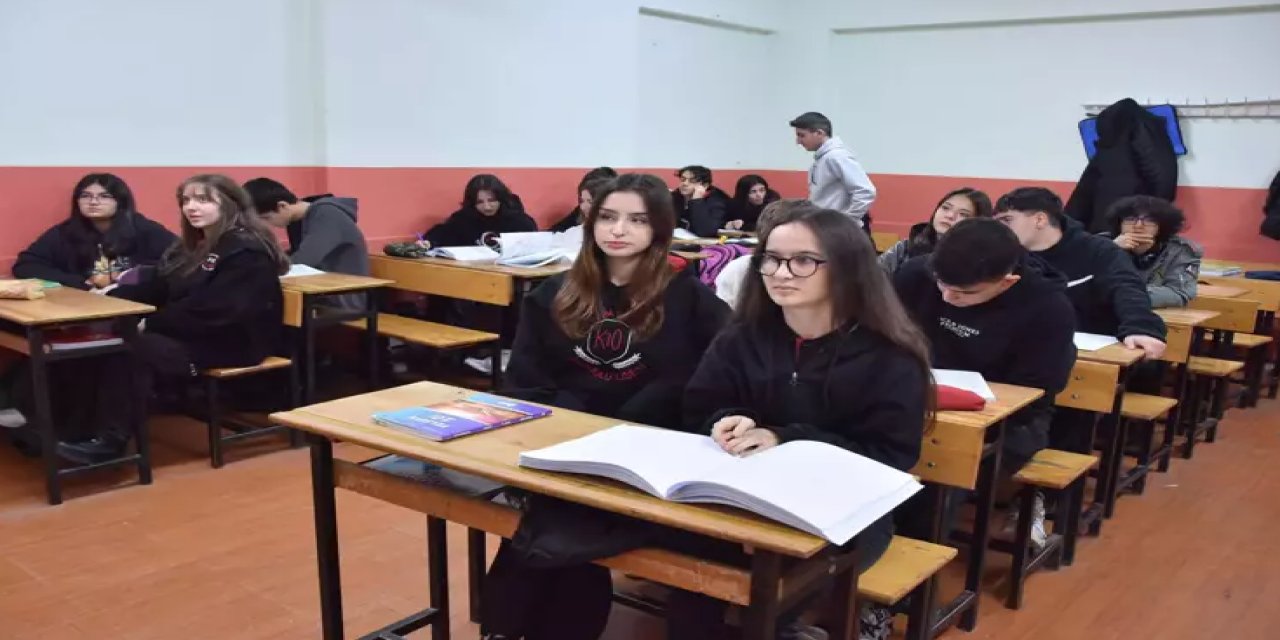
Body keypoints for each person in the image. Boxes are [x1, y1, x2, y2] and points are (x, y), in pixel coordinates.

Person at [478, 173, 730, 640]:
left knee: (554, 530)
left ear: (659, 228)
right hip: (567, 448)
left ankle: (509, 626)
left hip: (649, 463)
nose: (618, 230)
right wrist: (569, 427)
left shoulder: (690, 299)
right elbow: (526, 383)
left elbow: (710, 383)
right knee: (558, 519)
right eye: (608, 217)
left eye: (637, 220)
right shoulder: (554, 294)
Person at [680, 203, 932, 640]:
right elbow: (700, 404)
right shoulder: (743, 335)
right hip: (741, 495)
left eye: (803, 261)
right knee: (692, 579)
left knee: (770, 591)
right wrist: (725, 419)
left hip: (846, 510)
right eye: (772, 260)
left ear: (847, 269)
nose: (781, 273)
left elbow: (890, 456)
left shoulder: (891, 356)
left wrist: (786, 438)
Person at [57, 175, 289, 463]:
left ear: (230, 205)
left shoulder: (246, 250)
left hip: (232, 342)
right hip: (194, 332)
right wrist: (112, 296)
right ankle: (77, 431)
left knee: (133, 351)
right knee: (99, 343)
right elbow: (163, 285)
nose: (191, 207)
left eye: (203, 200)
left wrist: (153, 321)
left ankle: (110, 444)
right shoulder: (196, 245)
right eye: (186, 200)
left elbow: (220, 310)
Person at [894, 218, 1077, 546]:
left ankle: (914, 559)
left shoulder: (1048, 309)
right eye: (941, 284)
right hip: (912, 400)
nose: (947, 297)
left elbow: (1036, 394)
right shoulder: (915, 275)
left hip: (1008, 421)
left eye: (965, 293)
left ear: (1007, 282)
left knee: (942, 467)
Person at [993, 187, 1166, 456]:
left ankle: (1058, 473)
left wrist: (1141, 327)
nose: (1001, 229)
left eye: (1007, 220)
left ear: (1039, 219)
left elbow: (1127, 287)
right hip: (1025, 354)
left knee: (1071, 411)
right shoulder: (1007, 253)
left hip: (1087, 353)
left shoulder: (1098, 250)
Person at [14, 173, 176, 290]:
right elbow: (26, 265)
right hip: (84, 303)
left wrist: (135, 277)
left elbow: (180, 259)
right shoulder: (64, 232)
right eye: (85, 196)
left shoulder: (145, 229)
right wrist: (77, 282)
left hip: (135, 304)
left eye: (104, 196)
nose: (93, 202)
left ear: (120, 201)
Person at [243, 177, 370, 310]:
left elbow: (304, 260)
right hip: (318, 293)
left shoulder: (327, 214)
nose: (267, 225)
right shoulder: (298, 219)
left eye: (266, 218)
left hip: (343, 300)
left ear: (282, 206)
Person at [1099, 195, 1202, 308]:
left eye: (1149, 220)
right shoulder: (1100, 243)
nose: (1138, 226)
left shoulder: (1180, 250)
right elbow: (1086, 284)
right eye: (1130, 219)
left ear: (1162, 225)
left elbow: (1179, 293)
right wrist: (1110, 250)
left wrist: (1125, 295)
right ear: (1119, 223)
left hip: (1153, 313)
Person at [789, 111, 877, 228]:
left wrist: (846, 222)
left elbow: (865, 191)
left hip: (839, 230)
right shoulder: (822, 159)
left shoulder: (836, 156)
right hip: (826, 227)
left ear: (819, 133)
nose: (798, 141)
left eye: (802, 135)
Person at [878, 187, 993, 275]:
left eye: (963, 214)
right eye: (945, 207)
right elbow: (874, 280)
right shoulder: (905, 248)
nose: (950, 215)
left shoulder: (980, 259)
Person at [714, 199, 803, 308]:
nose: (783, 274)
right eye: (773, 257)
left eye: (802, 259)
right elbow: (724, 315)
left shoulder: (820, 271)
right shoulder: (737, 271)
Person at [420, 174, 536, 248]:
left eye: (491, 200)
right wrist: (429, 242)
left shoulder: (520, 221)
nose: (487, 207)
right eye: (480, 202)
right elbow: (443, 233)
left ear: (501, 199)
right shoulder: (464, 219)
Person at [670, 165, 730, 237]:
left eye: (692, 181)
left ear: (705, 185)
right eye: (683, 179)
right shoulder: (674, 196)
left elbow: (705, 231)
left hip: (706, 242)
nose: (685, 183)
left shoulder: (718, 201)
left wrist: (697, 201)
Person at [548, 172, 614, 233]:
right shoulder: (580, 214)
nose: (583, 207)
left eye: (590, 202)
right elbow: (554, 232)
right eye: (582, 200)